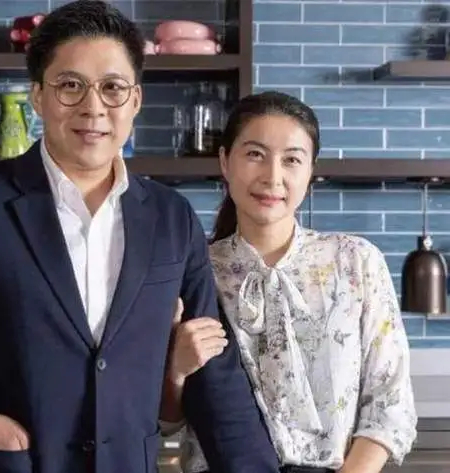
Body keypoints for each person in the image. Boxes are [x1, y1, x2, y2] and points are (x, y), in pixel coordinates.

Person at [0, 2, 279, 473]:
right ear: (38, 96)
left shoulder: (172, 218)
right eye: (70, 85)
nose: (93, 107)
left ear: (135, 101)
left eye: (112, 88)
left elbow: (215, 369)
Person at [160, 91, 418, 473]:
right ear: (225, 161)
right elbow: (167, 421)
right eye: (255, 154)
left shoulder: (355, 261)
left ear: (310, 171)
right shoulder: (193, 272)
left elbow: (390, 405)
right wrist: (177, 370)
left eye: (292, 159)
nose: (272, 177)